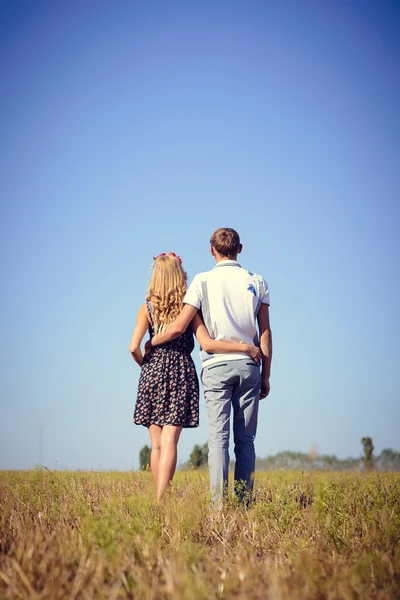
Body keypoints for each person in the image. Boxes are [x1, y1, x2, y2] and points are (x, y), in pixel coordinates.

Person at [148, 229, 272, 506]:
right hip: (250, 364)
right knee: (246, 441)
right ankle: (243, 505)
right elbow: (265, 332)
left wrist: (152, 342)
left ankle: (217, 507)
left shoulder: (202, 281)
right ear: (239, 248)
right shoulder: (258, 281)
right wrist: (267, 374)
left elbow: (180, 326)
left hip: (215, 367)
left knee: (218, 440)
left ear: (211, 250)